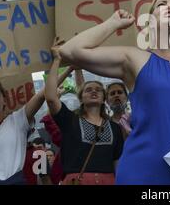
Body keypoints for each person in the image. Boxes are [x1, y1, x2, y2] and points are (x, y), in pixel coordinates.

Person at [59, 0, 170, 185]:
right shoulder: (136, 59)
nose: (169, 6)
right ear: (150, 21)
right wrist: (113, 23)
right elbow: (68, 52)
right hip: (146, 173)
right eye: (161, 4)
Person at [45, 41, 124, 185]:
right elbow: (50, 97)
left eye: (98, 89)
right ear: (81, 98)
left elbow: (117, 163)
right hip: (77, 181)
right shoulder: (70, 121)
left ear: (104, 99)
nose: (93, 91)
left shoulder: (115, 128)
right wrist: (58, 60)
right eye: (88, 90)